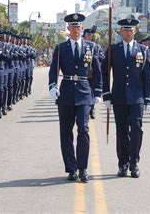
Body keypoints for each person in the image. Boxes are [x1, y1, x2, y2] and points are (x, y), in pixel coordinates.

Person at [48, 13, 102, 183]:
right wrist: (52, 86)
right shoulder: (61, 48)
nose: (76, 30)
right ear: (68, 29)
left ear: (82, 28)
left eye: (79, 27)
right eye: (73, 27)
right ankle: (71, 168)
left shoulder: (91, 47)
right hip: (66, 92)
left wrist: (98, 92)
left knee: (83, 129)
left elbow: (97, 71)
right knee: (65, 131)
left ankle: (83, 168)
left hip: (85, 91)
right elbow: (54, 69)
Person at [102, 17, 150, 178]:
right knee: (121, 131)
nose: (128, 32)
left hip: (137, 97)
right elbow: (105, 73)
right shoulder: (113, 49)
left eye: (131, 30)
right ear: (120, 31)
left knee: (137, 129)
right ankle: (123, 164)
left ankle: (134, 162)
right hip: (119, 97)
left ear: (135, 31)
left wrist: (148, 98)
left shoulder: (143, 50)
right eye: (125, 29)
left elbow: (148, 75)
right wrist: (106, 94)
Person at [83, 26, 103, 119]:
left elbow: (102, 58)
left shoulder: (97, 47)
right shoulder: (81, 45)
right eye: (88, 35)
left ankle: (92, 108)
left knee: (93, 91)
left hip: (93, 73)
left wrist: (97, 58)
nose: (90, 36)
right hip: (83, 74)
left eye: (91, 35)